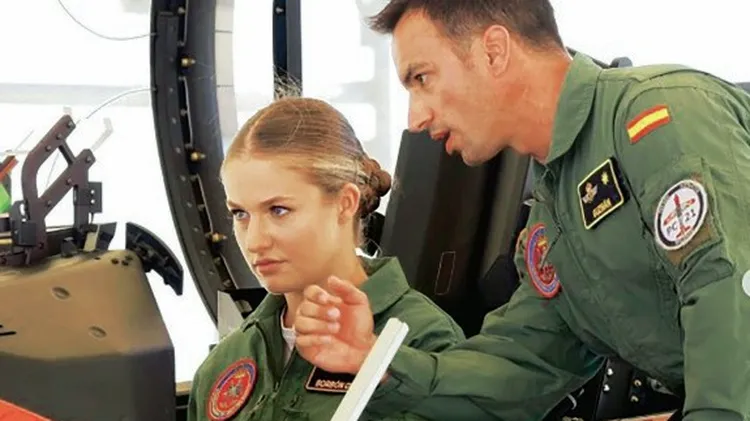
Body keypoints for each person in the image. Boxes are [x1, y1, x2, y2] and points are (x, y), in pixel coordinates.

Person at [292, 1, 750, 420]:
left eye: (422, 79)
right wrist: (376, 362)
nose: (416, 119)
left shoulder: (660, 119)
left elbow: (729, 293)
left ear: (494, 51)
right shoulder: (555, 210)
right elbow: (528, 362)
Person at [185, 96, 465, 421]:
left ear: (345, 204)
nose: (255, 241)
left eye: (279, 210)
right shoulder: (223, 365)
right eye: (240, 214)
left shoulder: (424, 343)